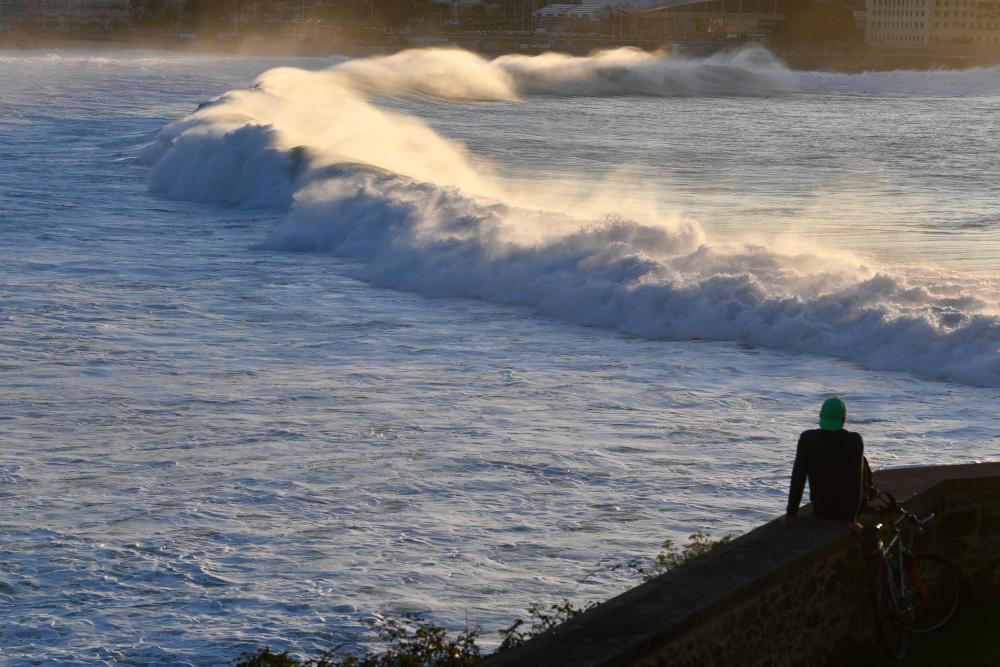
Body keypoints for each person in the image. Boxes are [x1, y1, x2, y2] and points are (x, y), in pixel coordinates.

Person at [785, 396, 867, 524]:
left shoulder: (807, 438)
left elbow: (798, 478)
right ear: (843, 419)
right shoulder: (853, 441)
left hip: (820, 510)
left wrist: (791, 514)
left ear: (821, 416)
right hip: (844, 513)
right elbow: (854, 482)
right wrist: (852, 519)